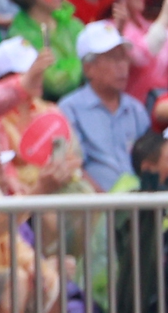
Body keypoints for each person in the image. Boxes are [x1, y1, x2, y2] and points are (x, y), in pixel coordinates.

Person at [60, 21, 154, 190]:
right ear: (88, 69)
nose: (122, 66)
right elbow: (74, 165)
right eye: (112, 59)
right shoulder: (69, 109)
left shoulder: (135, 109)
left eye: (123, 57)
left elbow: (149, 158)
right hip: (94, 208)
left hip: (139, 204)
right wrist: (101, 202)